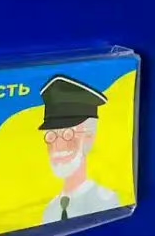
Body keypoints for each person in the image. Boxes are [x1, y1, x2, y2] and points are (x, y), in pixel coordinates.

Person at [39, 75, 120, 223]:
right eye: (51, 135)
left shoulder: (106, 202)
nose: (58, 145)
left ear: (89, 136)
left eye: (68, 134)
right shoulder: (50, 210)